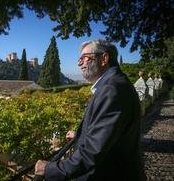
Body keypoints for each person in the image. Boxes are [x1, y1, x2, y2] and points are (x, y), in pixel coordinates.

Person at [35, 39, 145, 180]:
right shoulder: (114, 84)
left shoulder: (112, 90)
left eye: (84, 58)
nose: (79, 63)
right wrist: (80, 136)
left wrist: (49, 169)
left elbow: (92, 153)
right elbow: (107, 133)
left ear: (104, 58)